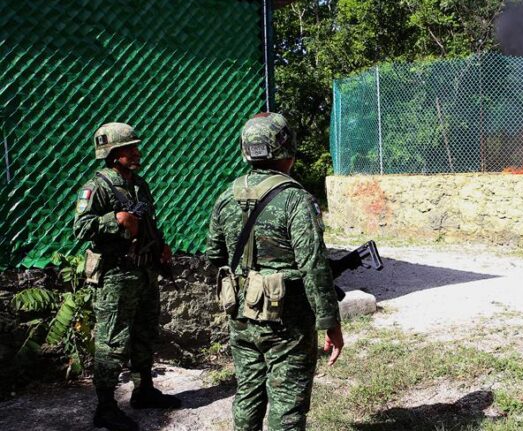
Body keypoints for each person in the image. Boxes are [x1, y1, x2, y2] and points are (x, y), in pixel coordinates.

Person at [206, 112, 343, 431]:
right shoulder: (295, 199)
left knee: (248, 393)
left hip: (241, 313)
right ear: (286, 150)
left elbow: (215, 254)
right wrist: (330, 323)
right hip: (287, 319)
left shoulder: (227, 195)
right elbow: (313, 265)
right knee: (287, 403)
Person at [74, 122, 181, 431]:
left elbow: (147, 219)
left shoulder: (139, 184)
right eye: (129, 149)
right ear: (112, 153)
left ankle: (143, 391)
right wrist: (114, 220)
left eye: (135, 147)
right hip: (115, 277)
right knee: (112, 343)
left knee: (145, 334)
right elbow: (80, 228)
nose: (136, 152)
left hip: (144, 272)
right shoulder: (96, 187)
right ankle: (106, 408)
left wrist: (160, 244)